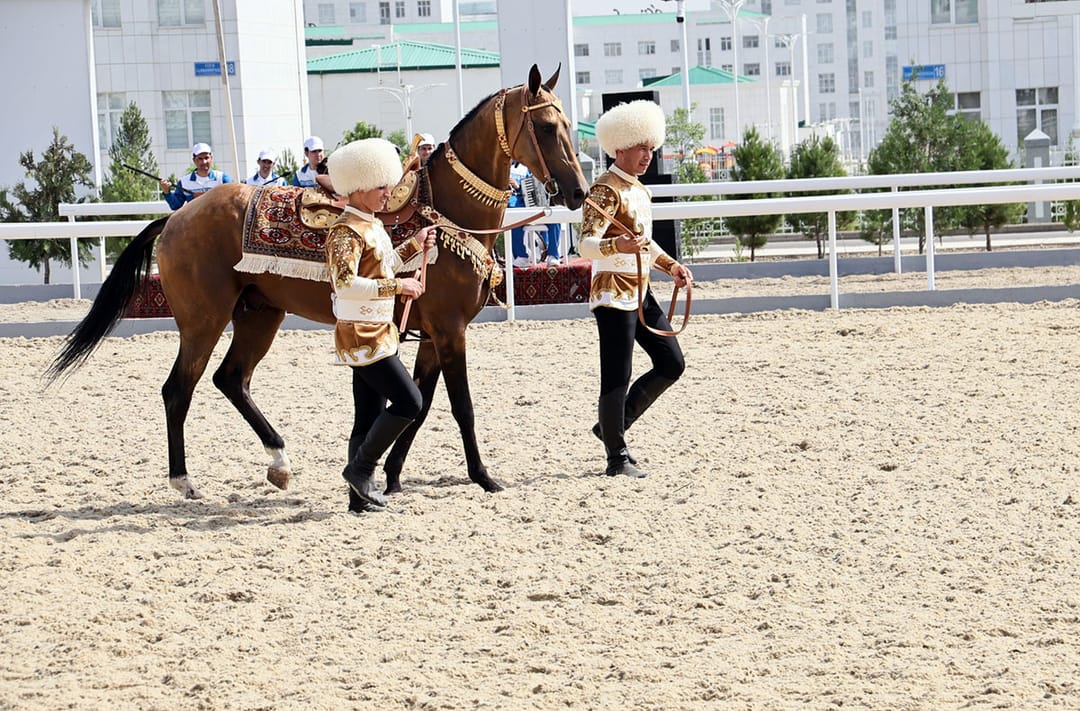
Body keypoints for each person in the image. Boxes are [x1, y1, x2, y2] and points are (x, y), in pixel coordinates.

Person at [578, 100, 694, 479]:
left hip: (639, 289)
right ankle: (616, 456)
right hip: (613, 293)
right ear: (620, 148)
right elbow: (585, 245)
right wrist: (617, 247)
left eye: (651, 148)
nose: (648, 155)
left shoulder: (639, 191)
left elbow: (645, 243)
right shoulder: (604, 190)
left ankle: (612, 427)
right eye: (641, 148)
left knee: (671, 362)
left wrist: (670, 266)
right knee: (617, 373)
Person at [324, 138, 438, 512]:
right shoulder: (345, 232)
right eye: (381, 186)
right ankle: (359, 471)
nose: (389, 192)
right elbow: (345, 284)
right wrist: (398, 286)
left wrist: (414, 245)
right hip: (361, 333)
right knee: (410, 401)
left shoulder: (368, 224)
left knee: (368, 414)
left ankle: (358, 498)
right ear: (358, 188)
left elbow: (383, 262)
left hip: (376, 331)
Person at [508, 162, 561, 268]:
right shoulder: (504, 166)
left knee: (554, 218)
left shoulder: (529, 165)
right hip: (517, 202)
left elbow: (536, 184)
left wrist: (520, 186)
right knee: (514, 218)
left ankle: (553, 255)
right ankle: (521, 256)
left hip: (535, 202)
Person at [158, 143, 233, 210]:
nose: (204, 162)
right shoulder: (184, 182)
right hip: (194, 223)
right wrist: (166, 191)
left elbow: (233, 199)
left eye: (206, 158)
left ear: (211, 158)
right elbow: (176, 206)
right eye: (200, 159)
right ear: (194, 160)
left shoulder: (222, 178)